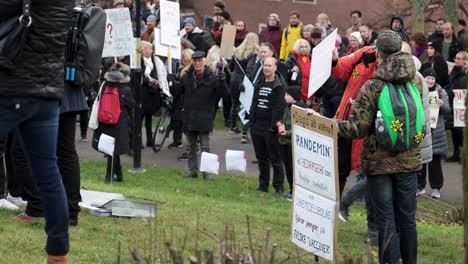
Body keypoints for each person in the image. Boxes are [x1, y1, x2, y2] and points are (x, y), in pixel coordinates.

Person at [334, 31, 419, 264]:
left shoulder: (372, 85)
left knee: (385, 218)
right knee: (408, 219)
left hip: (379, 163)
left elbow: (357, 129)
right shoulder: (414, 80)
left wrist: (330, 125)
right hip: (409, 160)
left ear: (378, 53)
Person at [0, 0, 73, 262]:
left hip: (12, 86)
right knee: (49, 175)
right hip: (47, 93)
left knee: (48, 173)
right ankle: (57, 253)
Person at [175, 51, 225, 179]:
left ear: (205, 61)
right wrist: (173, 82)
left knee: (205, 147)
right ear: (192, 62)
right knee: (190, 147)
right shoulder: (186, 77)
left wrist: (223, 79)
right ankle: (193, 171)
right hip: (189, 116)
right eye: (195, 61)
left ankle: (206, 172)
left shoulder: (212, 78)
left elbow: (224, 94)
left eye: (200, 60)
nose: (197, 63)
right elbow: (178, 93)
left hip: (204, 116)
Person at [250, 57, 286, 194]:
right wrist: (252, 123)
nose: (267, 68)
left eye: (270, 66)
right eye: (265, 65)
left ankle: (278, 186)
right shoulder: (259, 82)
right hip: (257, 125)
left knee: (275, 158)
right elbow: (254, 103)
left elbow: (279, 108)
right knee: (261, 157)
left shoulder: (279, 85)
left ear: (275, 68)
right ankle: (263, 184)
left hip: (270, 128)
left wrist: (274, 126)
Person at [92, 63, 134, 183]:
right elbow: (130, 105)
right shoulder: (125, 89)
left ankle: (119, 176)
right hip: (119, 122)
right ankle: (108, 177)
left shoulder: (104, 85)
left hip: (104, 121)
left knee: (111, 150)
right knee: (113, 150)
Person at [418, 68, 450, 199]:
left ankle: (436, 188)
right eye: (427, 78)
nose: (430, 80)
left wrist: (442, 105)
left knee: (435, 162)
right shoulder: (418, 90)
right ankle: (419, 186)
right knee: (420, 160)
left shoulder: (441, 91)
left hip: (436, 132)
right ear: (423, 79)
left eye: (432, 78)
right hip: (422, 130)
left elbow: (448, 110)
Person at [277, 86, 306, 200]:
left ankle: (296, 192)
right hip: (284, 142)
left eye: (287, 95)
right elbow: (283, 120)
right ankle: (291, 190)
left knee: (294, 169)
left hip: (292, 143)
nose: (285, 96)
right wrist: (280, 124)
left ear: (293, 97)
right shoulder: (287, 107)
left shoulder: (300, 110)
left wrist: (287, 133)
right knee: (288, 168)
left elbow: (300, 129)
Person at [229, 33, 259, 137]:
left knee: (234, 103)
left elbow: (231, 66)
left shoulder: (237, 51)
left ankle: (233, 126)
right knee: (246, 106)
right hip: (244, 81)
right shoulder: (254, 53)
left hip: (233, 79)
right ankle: (245, 132)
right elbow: (249, 69)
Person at [444, 51, 467, 162]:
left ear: (465, 60)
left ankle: (463, 154)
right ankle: (456, 152)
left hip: (462, 104)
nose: (456, 60)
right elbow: (451, 84)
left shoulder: (465, 73)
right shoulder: (454, 71)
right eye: (456, 58)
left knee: (461, 131)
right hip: (453, 103)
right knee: (454, 129)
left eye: (459, 58)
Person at [141, 41, 166, 147]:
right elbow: (139, 76)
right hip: (142, 92)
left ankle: (150, 140)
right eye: (149, 49)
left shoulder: (154, 61)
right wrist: (149, 81)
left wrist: (156, 80)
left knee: (149, 118)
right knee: (139, 118)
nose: (151, 51)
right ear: (143, 50)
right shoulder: (139, 61)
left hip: (151, 93)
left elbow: (157, 72)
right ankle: (137, 140)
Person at [173, 49, 195, 159]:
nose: (183, 60)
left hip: (185, 101)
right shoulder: (182, 69)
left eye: (185, 58)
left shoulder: (189, 71)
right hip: (182, 99)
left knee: (187, 125)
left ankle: (192, 149)